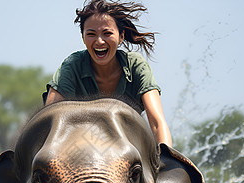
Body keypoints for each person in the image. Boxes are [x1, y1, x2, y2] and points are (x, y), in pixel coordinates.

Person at [44, 0, 172, 147]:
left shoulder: (136, 65)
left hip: (128, 147)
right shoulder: (72, 65)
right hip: (77, 147)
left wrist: (167, 159)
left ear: (121, 36)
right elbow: (49, 122)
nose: (99, 41)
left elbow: (157, 123)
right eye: (91, 34)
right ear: (83, 38)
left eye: (107, 33)